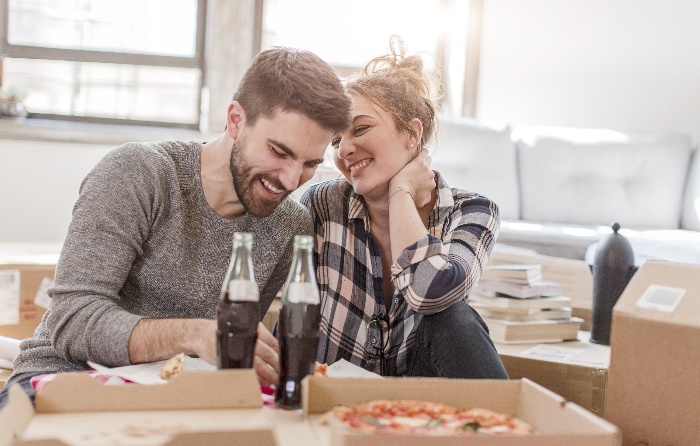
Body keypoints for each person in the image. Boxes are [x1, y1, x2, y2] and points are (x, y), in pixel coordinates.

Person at [0, 47, 352, 409]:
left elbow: (231, 351)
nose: (292, 180)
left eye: (309, 163)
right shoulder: (139, 173)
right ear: (235, 120)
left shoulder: (290, 225)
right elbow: (72, 322)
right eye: (279, 152)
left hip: (173, 397)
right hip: (60, 381)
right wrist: (193, 334)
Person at [301, 37, 508, 378]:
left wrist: (401, 193)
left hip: (418, 410)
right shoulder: (323, 205)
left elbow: (430, 293)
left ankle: (500, 432)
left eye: (361, 129)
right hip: (335, 401)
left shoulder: (473, 211)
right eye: (336, 141)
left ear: (412, 134)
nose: (344, 150)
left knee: (453, 317)